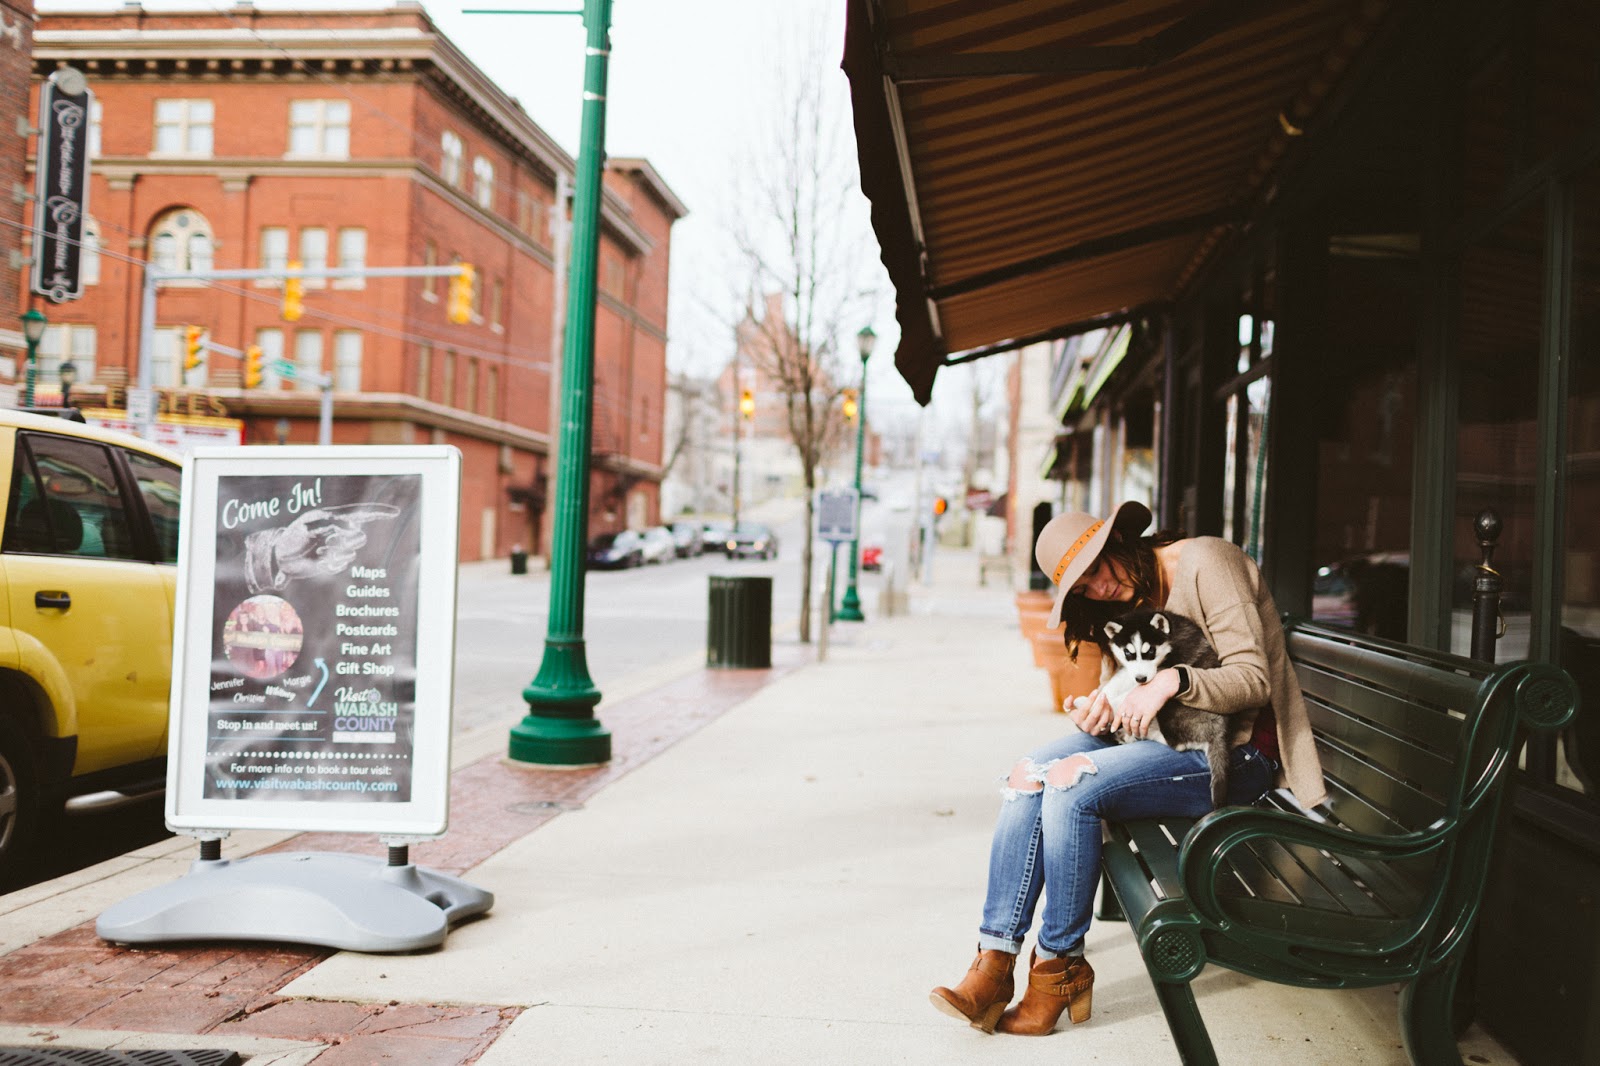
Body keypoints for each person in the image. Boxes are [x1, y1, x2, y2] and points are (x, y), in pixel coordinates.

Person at [930, 501, 1327, 1036]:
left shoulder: (1209, 562)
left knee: (1072, 785)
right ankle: (994, 963)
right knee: (1029, 775)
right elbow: (1129, 701)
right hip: (1169, 743)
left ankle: (1058, 968)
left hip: (1235, 753)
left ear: (1119, 542)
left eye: (1096, 568)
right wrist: (1100, 709)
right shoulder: (1133, 599)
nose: (1097, 588)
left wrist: (1174, 681)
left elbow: (1253, 678)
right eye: (1082, 586)